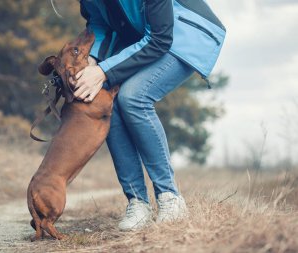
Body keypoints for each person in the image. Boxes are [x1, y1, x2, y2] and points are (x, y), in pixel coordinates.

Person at [70, 0, 226, 230]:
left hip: (182, 34)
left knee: (134, 97)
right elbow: (99, 24)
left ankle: (169, 198)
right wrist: (93, 58)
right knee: (107, 101)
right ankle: (137, 202)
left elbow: (160, 38)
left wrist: (103, 71)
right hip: (142, 38)